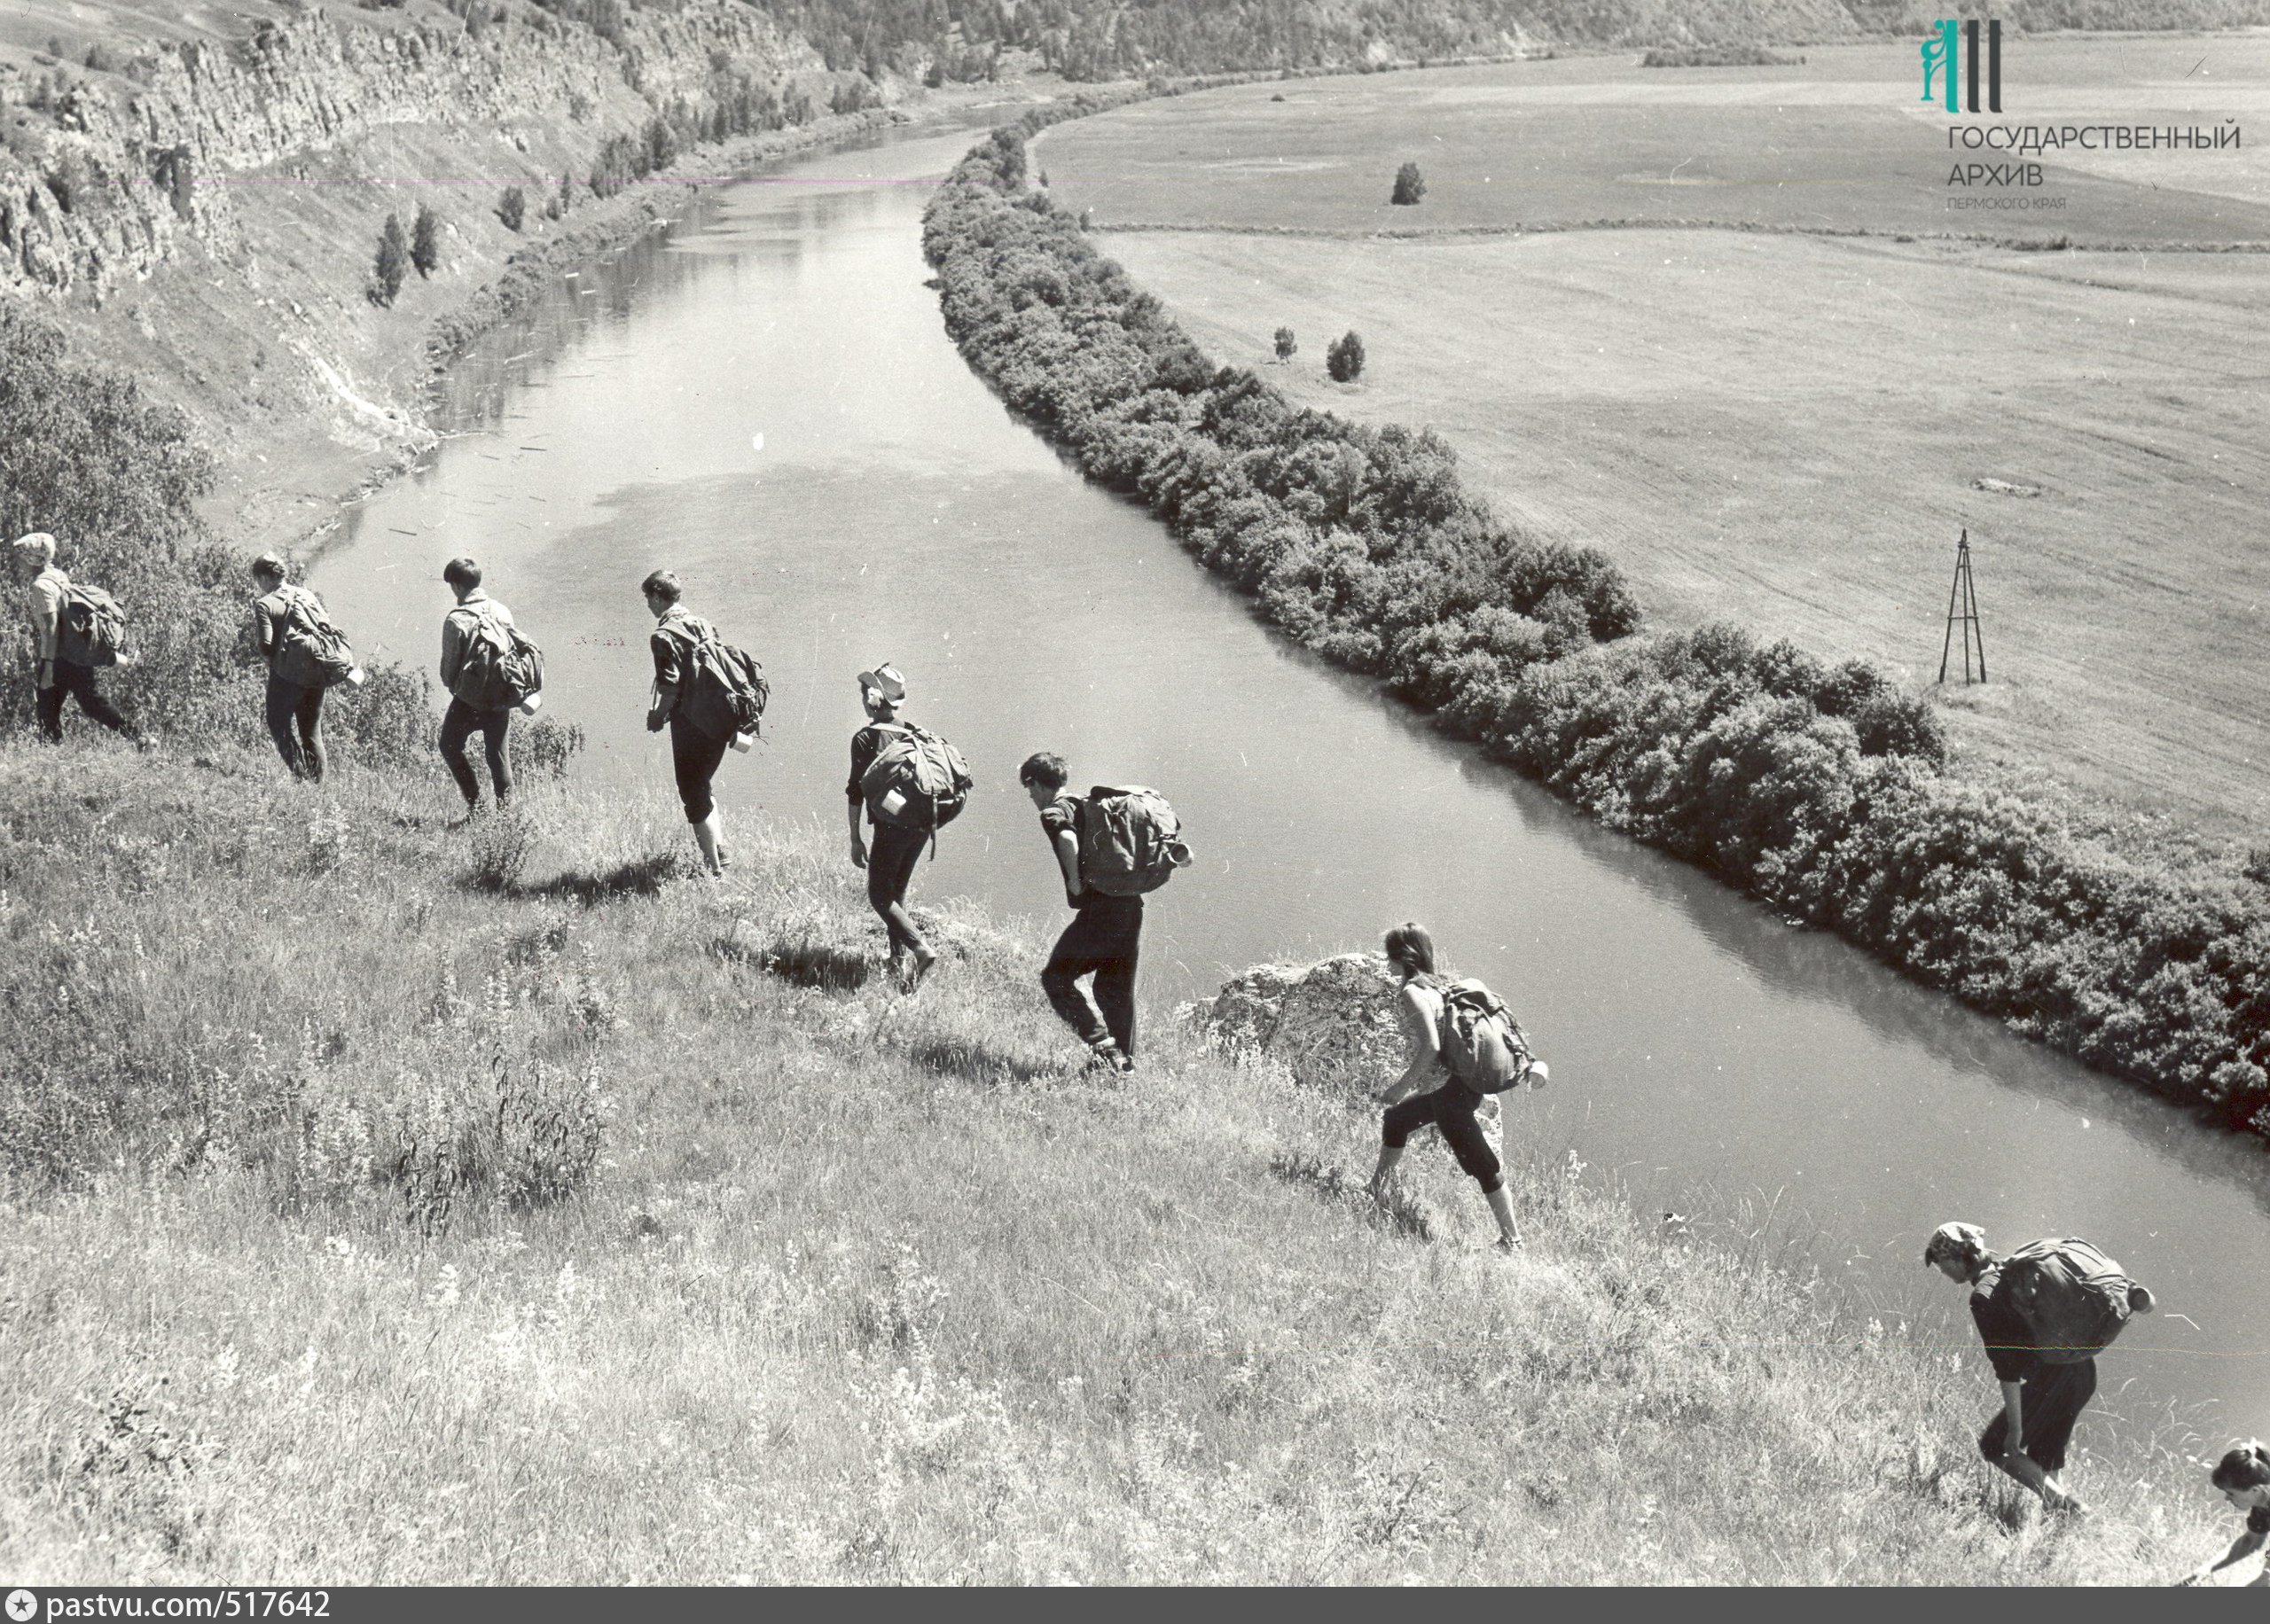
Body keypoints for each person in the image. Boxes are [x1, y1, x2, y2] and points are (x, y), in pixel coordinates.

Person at [1924, 1221, 2099, 1517]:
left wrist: (2015, 1432)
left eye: (1942, 1264)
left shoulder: (1983, 1297)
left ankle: (2073, 1510)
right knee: (2045, 1457)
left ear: (1956, 1260)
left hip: (2053, 1380)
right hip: (2081, 1370)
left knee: (1997, 1447)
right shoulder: (2010, 1271)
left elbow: (2007, 1370)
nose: (1942, 1271)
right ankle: (2058, 1526)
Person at [1367, 923, 1523, 1252]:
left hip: (1447, 1093)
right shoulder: (1438, 986)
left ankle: (1513, 1241)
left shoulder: (1412, 992)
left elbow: (1431, 1047)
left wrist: (1400, 1086)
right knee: (1396, 1120)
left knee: (1482, 1162)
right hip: (1458, 1085)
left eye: (1388, 955)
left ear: (1401, 957)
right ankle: (1375, 1189)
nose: (1385, 960)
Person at [1021, 751, 1139, 1073]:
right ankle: (1122, 1065)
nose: (1030, 795)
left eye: (1028, 788)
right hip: (1130, 905)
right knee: (1112, 987)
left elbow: (1066, 837)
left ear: (1037, 783)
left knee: (1055, 978)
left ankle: (1104, 1048)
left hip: (1100, 911)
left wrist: (1074, 881)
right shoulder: (1087, 803)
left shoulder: (1055, 811)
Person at [847, 664, 938, 989]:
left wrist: (856, 838)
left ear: (873, 699)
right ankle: (897, 961)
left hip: (891, 827)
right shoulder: (913, 732)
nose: (860, 698)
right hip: (922, 825)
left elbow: (855, 792)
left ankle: (920, 949)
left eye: (863, 693)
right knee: (896, 891)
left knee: (878, 896)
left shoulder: (865, 738)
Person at [12, 531, 144, 748]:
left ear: (31, 559)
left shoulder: (40, 587)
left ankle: (51, 752)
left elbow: (51, 629)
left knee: (49, 705)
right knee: (90, 703)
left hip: (61, 655)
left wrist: (48, 667)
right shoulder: (57, 575)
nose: (18, 562)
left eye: (21, 557)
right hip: (74, 650)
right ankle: (139, 737)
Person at [643, 569, 729, 877]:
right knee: (703, 784)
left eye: (648, 599)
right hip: (721, 718)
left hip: (692, 724)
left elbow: (669, 686)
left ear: (656, 597)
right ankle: (721, 851)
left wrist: (657, 716)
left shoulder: (663, 635)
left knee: (691, 791)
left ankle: (713, 872)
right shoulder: (703, 623)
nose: (647, 606)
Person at [439, 558, 517, 816]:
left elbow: (449, 670)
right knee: (498, 756)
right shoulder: (502, 611)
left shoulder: (456, 619)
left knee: (449, 744)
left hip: (469, 699)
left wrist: (458, 688)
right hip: (502, 696)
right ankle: (507, 821)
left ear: (458, 586)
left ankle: (477, 808)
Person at [247, 551, 329, 783]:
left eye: (258, 581)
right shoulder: (306, 595)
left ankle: (301, 777)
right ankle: (318, 786)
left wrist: (274, 660)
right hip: (317, 671)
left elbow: (265, 644)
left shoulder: (265, 604)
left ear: (264, 578)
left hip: (286, 675)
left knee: (277, 722)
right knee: (311, 730)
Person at [2177, 1441, 2270, 1586]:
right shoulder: (2263, 1505)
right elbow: (2250, 1541)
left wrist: (2266, 1575)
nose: (2227, 1498)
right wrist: (2206, 1569)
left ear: (2255, 1490)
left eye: (2231, 1493)